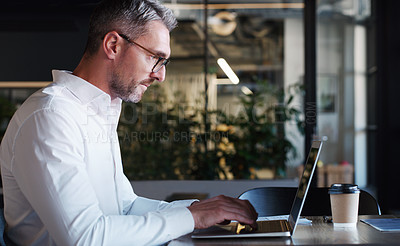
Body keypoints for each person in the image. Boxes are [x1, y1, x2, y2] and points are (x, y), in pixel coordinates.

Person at [0, 0, 257, 245]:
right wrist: (194, 218)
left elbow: (125, 205)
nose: (161, 75)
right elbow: (87, 238)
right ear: (113, 45)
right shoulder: (51, 116)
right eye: (154, 57)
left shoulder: (98, 111)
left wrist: (199, 210)